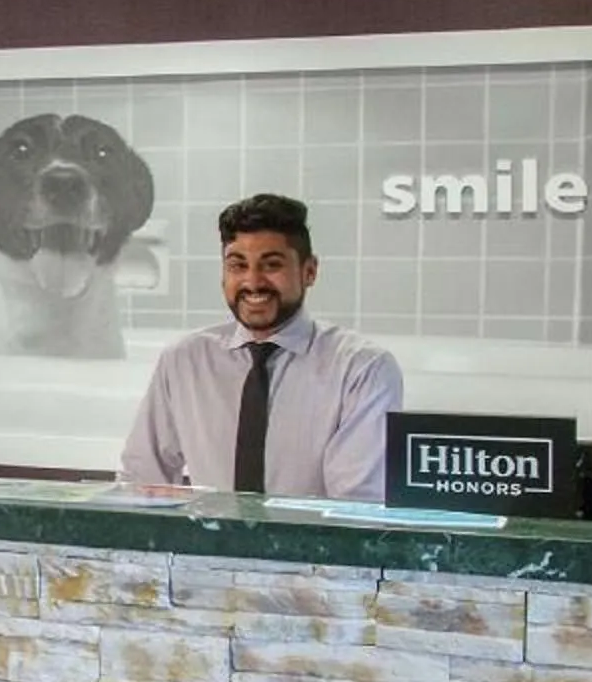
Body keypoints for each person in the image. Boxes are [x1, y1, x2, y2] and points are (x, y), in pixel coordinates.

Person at [119, 192, 402, 501]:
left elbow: (356, 504)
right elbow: (142, 479)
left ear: (310, 271)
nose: (252, 282)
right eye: (237, 265)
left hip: (312, 548)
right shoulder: (184, 361)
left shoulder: (361, 369)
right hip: (207, 546)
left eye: (271, 265)